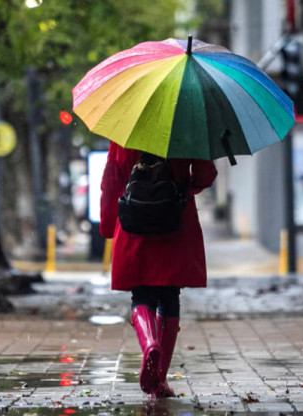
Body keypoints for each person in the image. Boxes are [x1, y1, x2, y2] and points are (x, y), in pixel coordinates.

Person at [100, 142, 218, 398]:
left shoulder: (124, 133)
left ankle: (149, 344)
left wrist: (109, 224)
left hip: (133, 222)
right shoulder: (185, 129)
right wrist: (185, 186)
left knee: (140, 294)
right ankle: (160, 379)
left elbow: (111, 180)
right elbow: (206, 175)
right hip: (174, 221)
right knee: (169, 295)